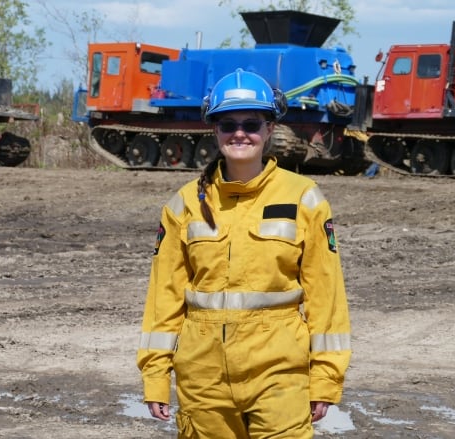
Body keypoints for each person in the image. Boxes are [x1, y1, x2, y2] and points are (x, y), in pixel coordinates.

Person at [137, 69, 351, 438]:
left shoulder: (303, 197)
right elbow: (164, 296)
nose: (240, 133)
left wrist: (326, 378)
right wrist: (156, 375)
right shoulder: (185, 203)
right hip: (203, 379)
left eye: (252, 123)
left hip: (280, 373)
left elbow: (326, 295)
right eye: (228, 124)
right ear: (214, 129)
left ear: (270, 129)